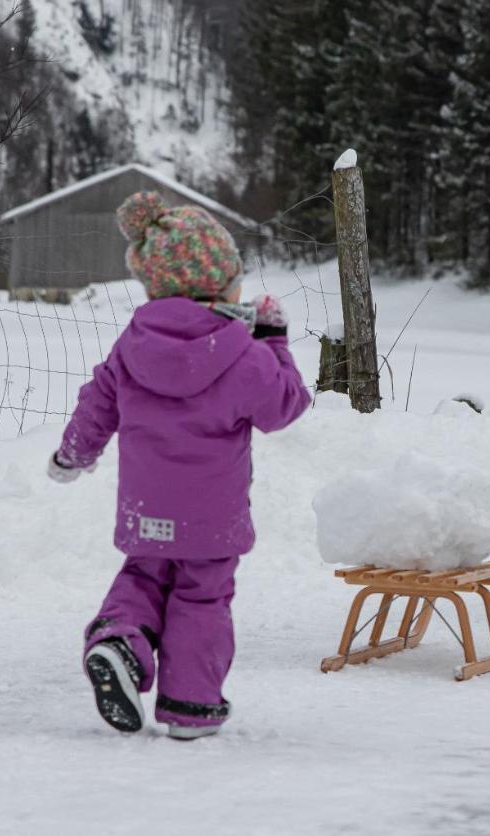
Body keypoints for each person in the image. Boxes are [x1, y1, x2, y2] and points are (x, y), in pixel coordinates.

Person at [48, 191, 311, 739]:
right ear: (222, 283)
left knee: (143, 576)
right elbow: (285, 407)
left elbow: (97, 404)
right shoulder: (243, 352)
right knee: (201, 597)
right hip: (212, 518)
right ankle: (190, 708)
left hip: (146, 508)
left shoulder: (132, 345)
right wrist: (275, 341)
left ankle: (120, 642)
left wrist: (72, 455)